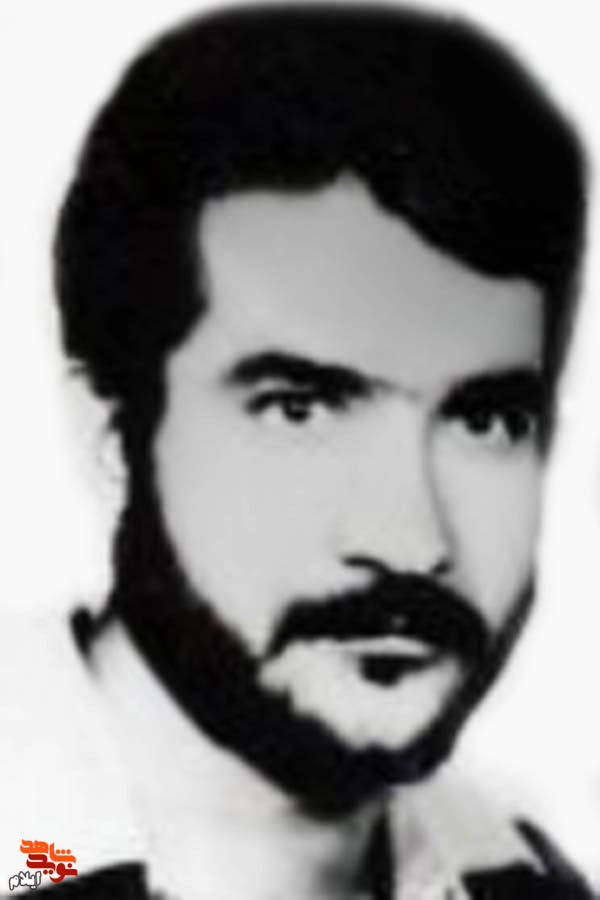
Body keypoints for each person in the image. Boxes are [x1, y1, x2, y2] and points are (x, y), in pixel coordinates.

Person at [2, 3, 592, 898]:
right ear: (114, 436)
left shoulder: (523, 878)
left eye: (484, 421)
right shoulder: (26, 850)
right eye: (300, 410)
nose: (411, 541)